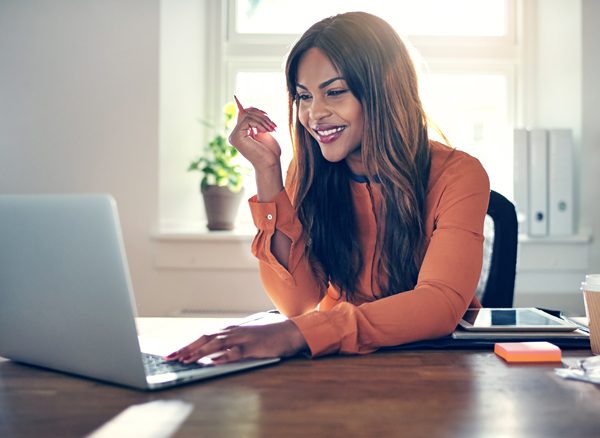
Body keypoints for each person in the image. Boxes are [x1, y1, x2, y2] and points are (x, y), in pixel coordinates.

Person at [167, 11, 489, 364]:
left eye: (334, 92)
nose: (314, 114)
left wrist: (301, 334)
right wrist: (267, 170)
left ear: (384, 91)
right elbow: (297, 303)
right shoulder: (307, 172)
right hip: (339, 364)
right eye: (304, 97)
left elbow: (439, 303)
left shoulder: (459, 174)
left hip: (434, 369)